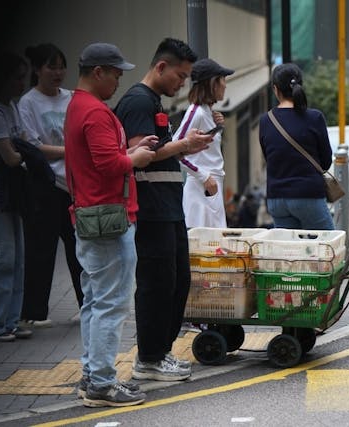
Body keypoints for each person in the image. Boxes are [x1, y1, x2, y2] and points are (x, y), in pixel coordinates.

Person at [114, 38, 213, 382]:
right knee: (157, 283)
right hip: (151, 208)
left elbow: (158, 150)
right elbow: (137, 155)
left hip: (168, 207)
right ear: (161, 67)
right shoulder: (138, 102)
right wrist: (185, 145)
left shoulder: (152, 101)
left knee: (176, 280)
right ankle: (150, 358)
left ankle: (160, 352)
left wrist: (186, 145)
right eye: (180, 75)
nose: (183, 83)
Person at [64, 42, 157, 407]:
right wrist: (135, 158)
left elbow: (99, 158)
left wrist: (131, 152)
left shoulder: (76, 106)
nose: (119, 79)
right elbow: (107, 165)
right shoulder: (95, 112)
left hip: (90, 214)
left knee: (95, 300)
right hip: (109, 218)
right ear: (98, 72)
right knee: (111, 303)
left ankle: (92, 375)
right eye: (116, 72)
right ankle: (102, 382)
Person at [18, 43, 83, 328]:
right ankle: (35, 312)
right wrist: (70, 152)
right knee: (41, 250)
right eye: (51, 66)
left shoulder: (71, 98)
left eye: (61, 66)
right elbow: (31, 146)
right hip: (44, 185)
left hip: (73, 184)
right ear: (36, 69)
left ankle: (86, 305)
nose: (58, 73)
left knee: (80, 249)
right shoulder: (28, 103)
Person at [0, 51, 33, 342]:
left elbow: (24, 144)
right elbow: (11, 156)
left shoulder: (11, 107)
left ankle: (10, 321)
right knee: (1, 256)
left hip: (13, 187)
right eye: (17, 78)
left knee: (17, 258)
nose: (21, 84)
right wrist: (28, 156)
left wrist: (26, 153)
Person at [258, 63, 334, 230]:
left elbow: (269, 157)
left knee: (289, 253)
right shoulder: (315, 118)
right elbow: (326, 162)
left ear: (275, 89)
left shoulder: (266, 120)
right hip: (308, 196)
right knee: (327, 248)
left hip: (276, 199)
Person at [174, 58, 234, 228]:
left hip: (210, 187)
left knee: (213, 247)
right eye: (223, 80)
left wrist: (218, 126)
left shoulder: (207, 112)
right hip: (201, 189)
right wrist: (203, 175)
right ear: (213, 84)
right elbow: (173, 148)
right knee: (202, 247)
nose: (225, 85)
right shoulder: (197, 112)